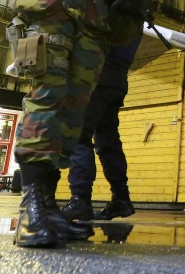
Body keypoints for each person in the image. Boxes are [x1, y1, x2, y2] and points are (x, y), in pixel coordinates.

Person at [3, 0, 150, 247]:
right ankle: (32, 210)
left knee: (74, 112)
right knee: (47, 96)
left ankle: (48, 205)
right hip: (49, 3)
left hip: (95, 19)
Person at [61, 34, 143, 225]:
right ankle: (121, 198)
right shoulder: (135, 12)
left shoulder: (108, 6)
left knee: (79, 137)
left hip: (95, 77)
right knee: (108, 141)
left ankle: (80, 200)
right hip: (118, 81)